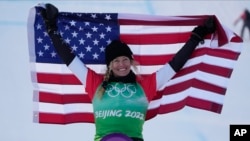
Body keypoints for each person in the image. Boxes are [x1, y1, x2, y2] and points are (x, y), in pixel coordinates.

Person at [41, 3, 216, 141]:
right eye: (116, 61)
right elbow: (70, 59)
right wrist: (52, 29)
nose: (121, 64)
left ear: (131, 61)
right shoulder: (95, 84)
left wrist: (196, 37)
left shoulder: (145, 87)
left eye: (125, 59)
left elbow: (175, 64)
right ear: (109, 65)